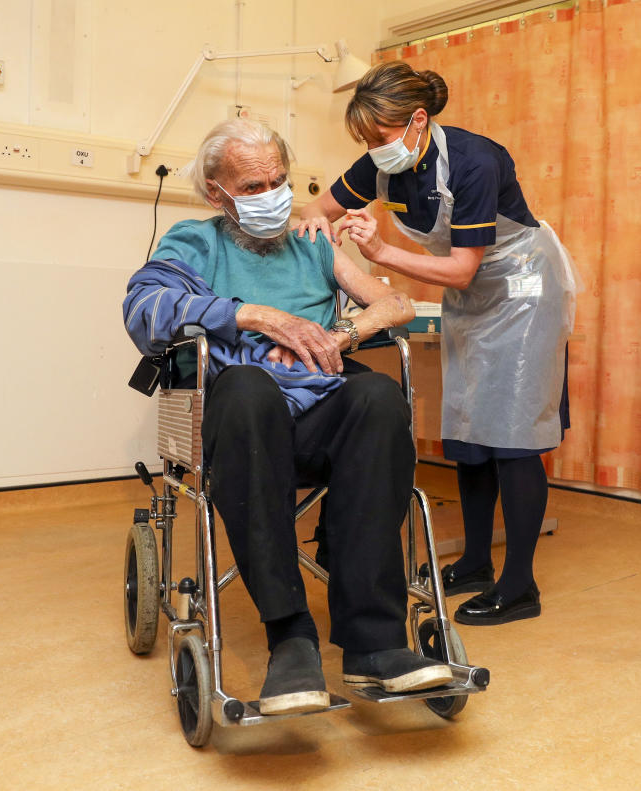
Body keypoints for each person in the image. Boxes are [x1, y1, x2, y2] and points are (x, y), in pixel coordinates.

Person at [123, 119, 453, 717]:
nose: (272, 194)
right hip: (245, 425)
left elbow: (395, 303)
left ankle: (376, 643)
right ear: (216, 194)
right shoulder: (195, 241)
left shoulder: (312, 241)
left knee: (378, 398)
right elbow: (145, 309)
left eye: (279, 180)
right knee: (247, 387)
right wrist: (258, 317)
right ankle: (291, 636)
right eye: (253, 187)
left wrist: (337, 333)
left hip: (321, 412)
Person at [298, 62, 577, 627]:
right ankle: (475, 562)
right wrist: (320, 245)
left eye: (379, 137)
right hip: (470, 293)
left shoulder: (475, 161)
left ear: (417, 121)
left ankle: (519, 583)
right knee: (469, 429)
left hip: (521, 283)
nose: (373, 150)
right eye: (365, 141)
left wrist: (376, 255)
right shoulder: (382, 164)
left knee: (515, 434)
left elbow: (461, 270)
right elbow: (313, 211)